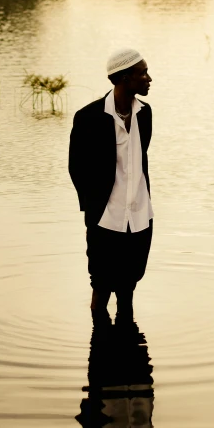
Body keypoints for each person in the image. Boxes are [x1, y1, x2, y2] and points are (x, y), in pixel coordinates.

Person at [69, 48, 153, 322]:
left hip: (140, 214)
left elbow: (140, 158)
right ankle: (101, 348)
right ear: (125, 78)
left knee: (129, 284)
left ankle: (130, 354)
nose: (149, 78)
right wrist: (93, 209)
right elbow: (76, 167)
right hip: (106, 215)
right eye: (143, 73)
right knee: (101, 284)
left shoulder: (145, 113)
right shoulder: (88, 117)